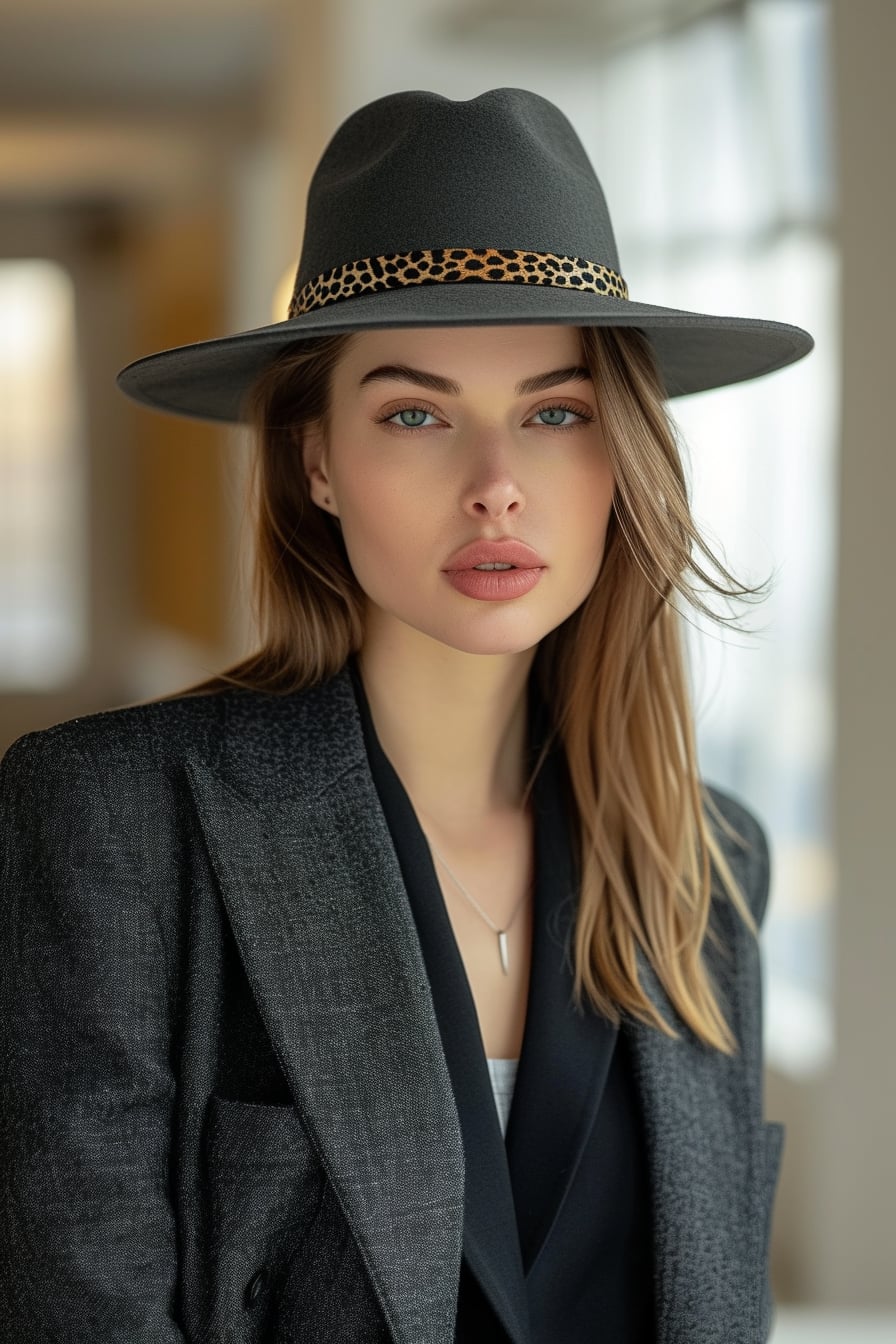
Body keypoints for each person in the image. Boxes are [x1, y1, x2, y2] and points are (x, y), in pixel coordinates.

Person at [0, 88, 812, 1344]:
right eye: (414, 414)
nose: (495, 488)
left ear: (623, 459)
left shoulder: (712, 869)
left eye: (554, 413)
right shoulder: (114, 822)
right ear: (316, 458)